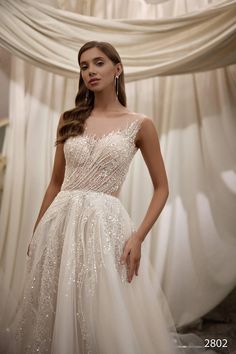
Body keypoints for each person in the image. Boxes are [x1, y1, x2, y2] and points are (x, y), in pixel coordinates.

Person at [0, 41, 227, 354]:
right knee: (57, 305)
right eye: (84, 66)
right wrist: (38, 229)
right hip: (61, 222)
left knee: (100, 305)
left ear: (117, 69)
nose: (91, 71)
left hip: (105, 225)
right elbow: (55, 183)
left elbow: (162, 187)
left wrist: (138, 237)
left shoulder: (140, 124)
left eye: (98, 63)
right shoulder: (70, 118)